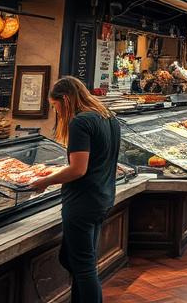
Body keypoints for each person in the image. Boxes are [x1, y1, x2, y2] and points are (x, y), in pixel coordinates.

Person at [28, 76, 121, 303]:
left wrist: (45, 181)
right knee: (71, 258)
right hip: (103, 197)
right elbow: (100, 160)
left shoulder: (80, 122)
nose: (56, 112)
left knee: (84, 268)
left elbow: (78, 170)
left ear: (66, 99)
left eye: (55, 106)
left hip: (82, 203)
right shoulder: (108, 117)